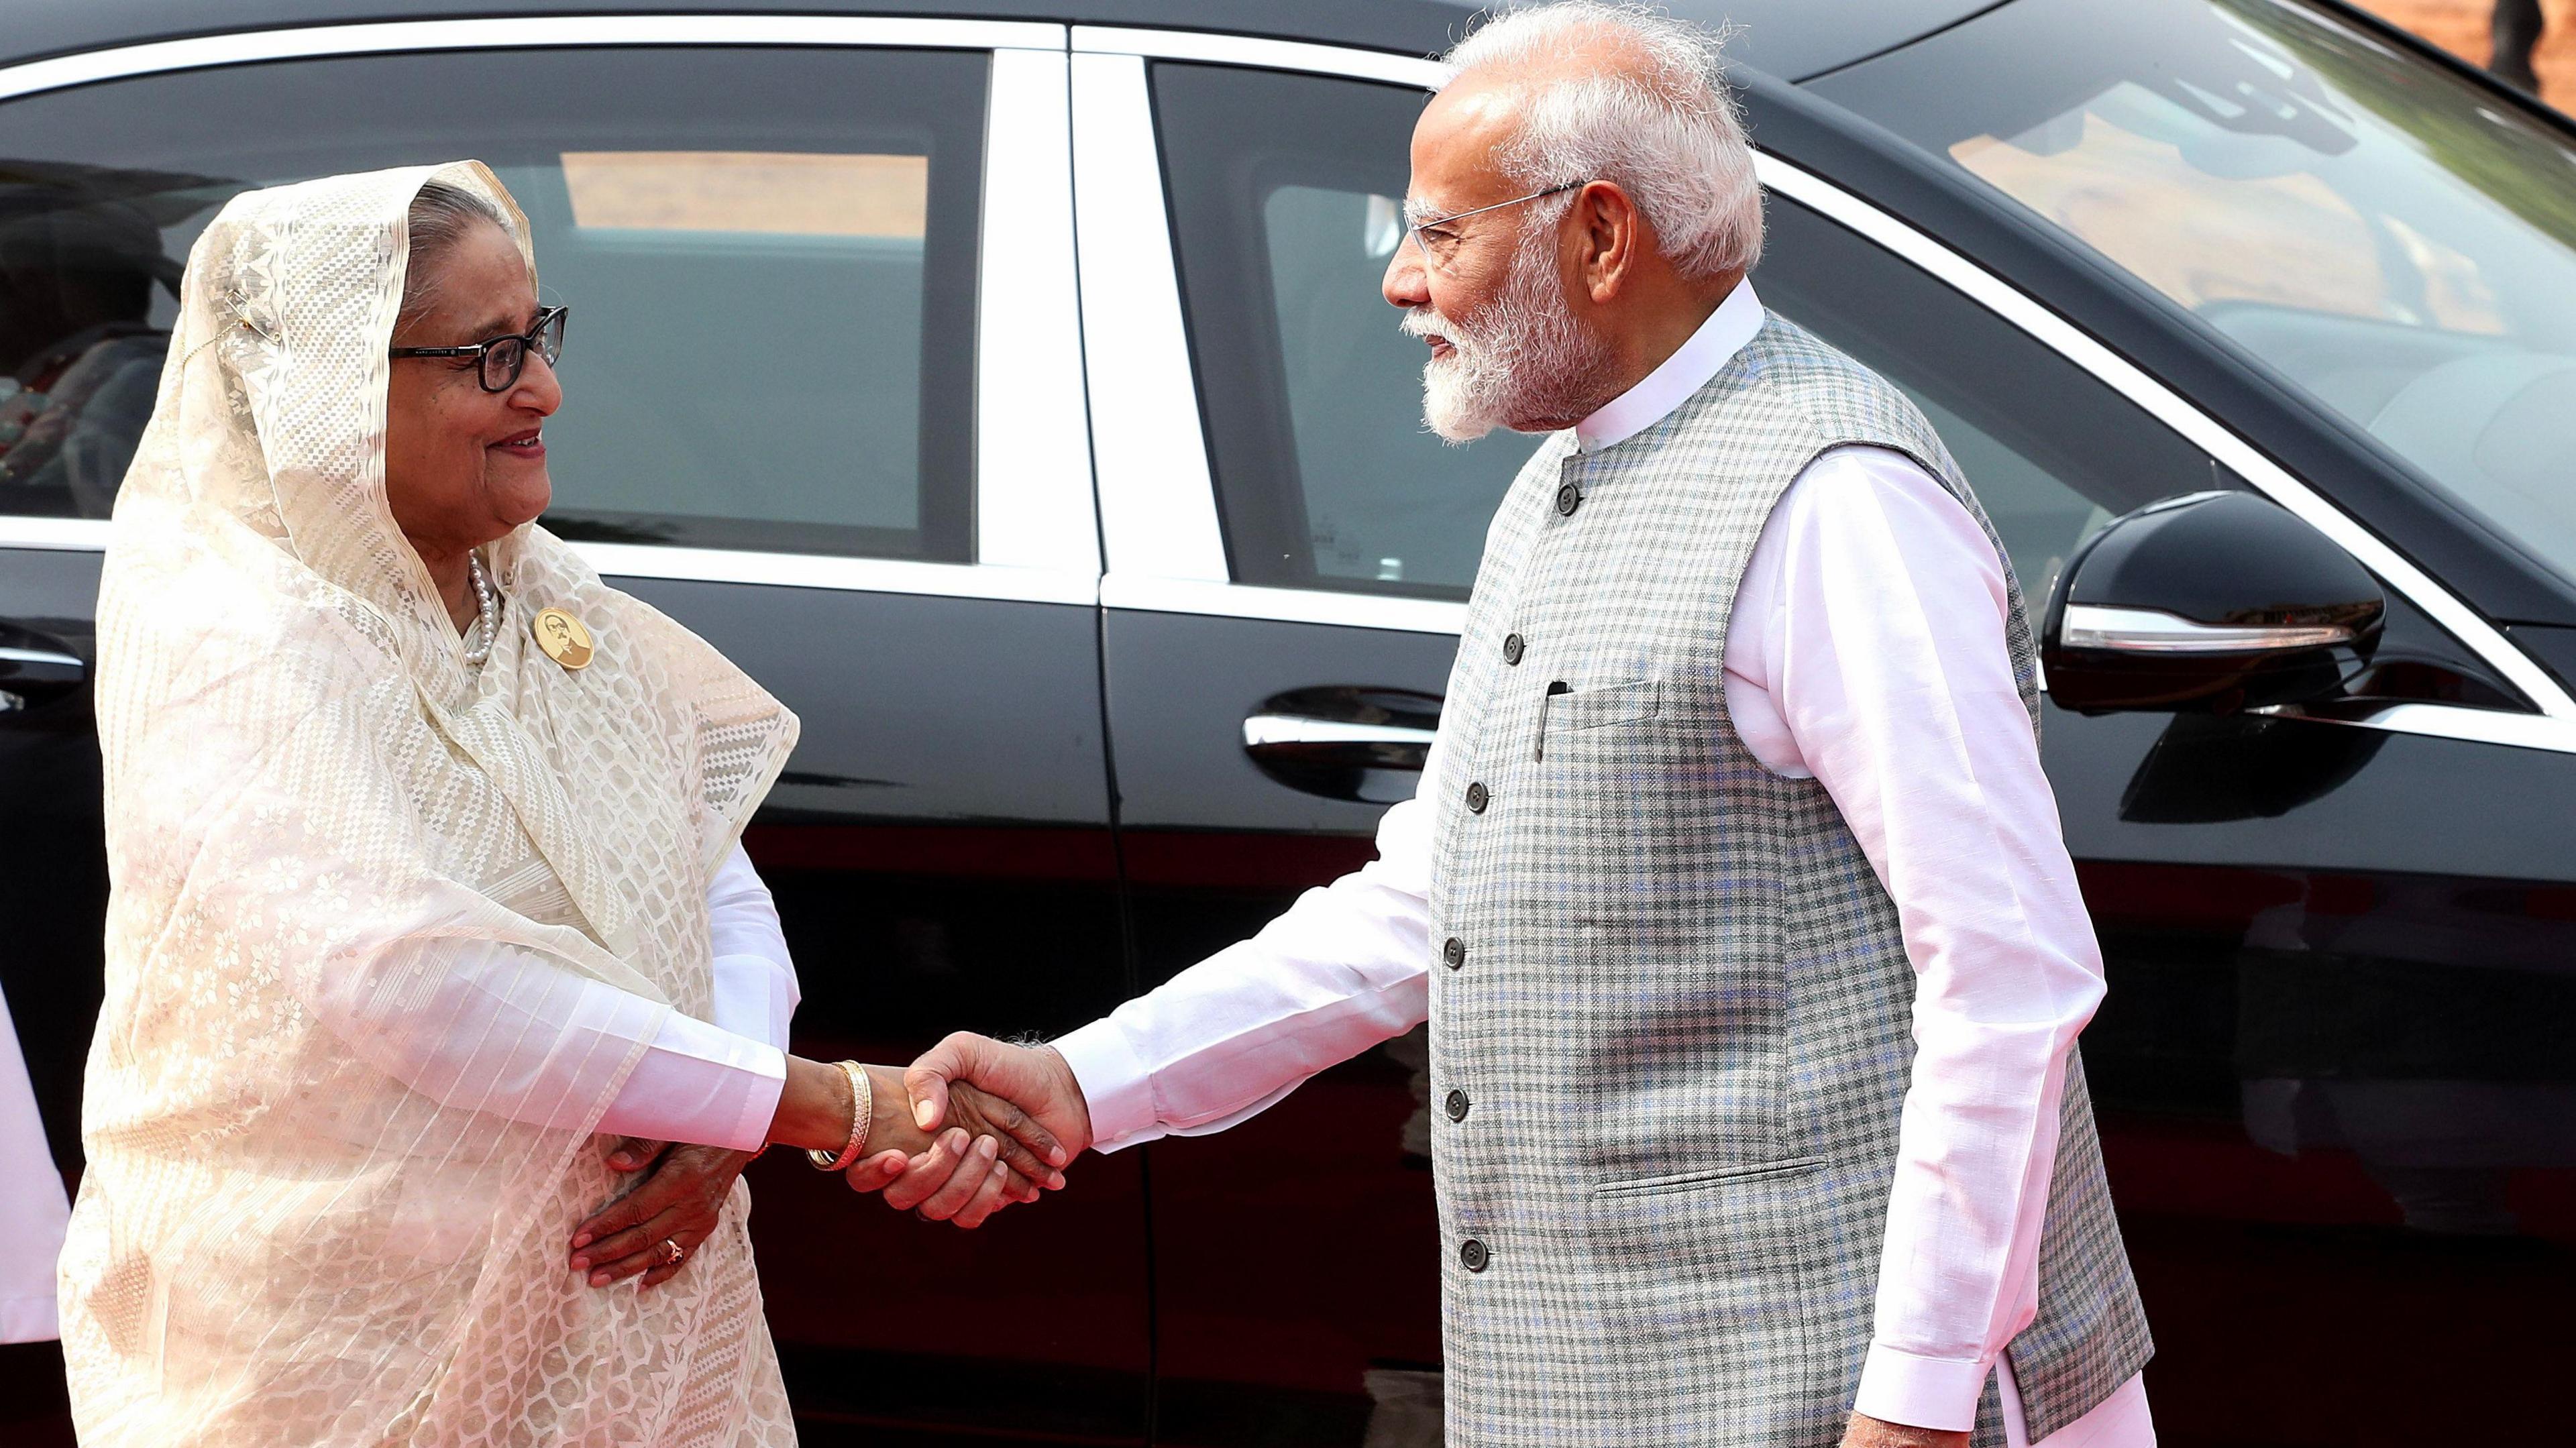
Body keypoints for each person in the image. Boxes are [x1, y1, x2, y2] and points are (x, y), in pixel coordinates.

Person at [891, 7, 2154, 1447]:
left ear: (1599, 239)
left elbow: (2008, 977)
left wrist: (1919, 1401)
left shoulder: (1835, 504)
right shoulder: (1573, 468)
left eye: (1437, 232)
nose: (1398, 280)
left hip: (1838, 1405)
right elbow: (1430, 903)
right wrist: (1084, 1081)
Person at [58, 162, 1058, 1447]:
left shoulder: (536, 590)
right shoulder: (243, 646)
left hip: (616, 1303)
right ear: (329, 391)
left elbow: (710, 874)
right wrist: (813, 1104)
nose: (544, 389)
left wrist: (722, 1115)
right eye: (484, 355)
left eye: (536, 335)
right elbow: (414, 985)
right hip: (340, 1346)